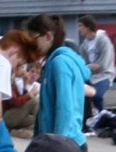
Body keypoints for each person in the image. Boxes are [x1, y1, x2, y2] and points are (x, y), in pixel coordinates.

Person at [27, 16, 90, 144]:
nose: (31, 45)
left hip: (64, 144)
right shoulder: (55, 62)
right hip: (62, 142)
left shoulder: (59, 63)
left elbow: (65, 109)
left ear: (48, 36)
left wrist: (56, 145)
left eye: (33, 39)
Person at [78, 17, 116, 111]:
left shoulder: (103, 40)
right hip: (89, 76)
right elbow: (83, 64)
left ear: (88, 26)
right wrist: (90, 67)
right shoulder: (84, 45)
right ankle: (86, 117)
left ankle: (103, 115)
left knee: (97, 96)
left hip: (104, 76)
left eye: (81, 26)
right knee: (80, 94)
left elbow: (103, 65)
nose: (79, 29)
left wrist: (89, 67)